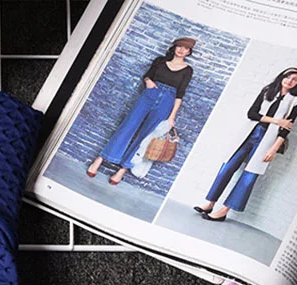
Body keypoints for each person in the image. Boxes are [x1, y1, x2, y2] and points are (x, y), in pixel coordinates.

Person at [87, 37, 196, 185]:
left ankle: (123, 169)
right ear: (174, 47)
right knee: (127, 127)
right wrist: (148, 81)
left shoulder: (188, 70)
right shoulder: (160, 61)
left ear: (189, 52)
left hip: (167, 102)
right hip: (149, 95)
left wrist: (172, 116)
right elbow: (148, 75)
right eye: (180, 46)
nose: (182, 50)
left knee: (145, 136)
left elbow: (180, 94)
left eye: (186, 48)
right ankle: (100, 159)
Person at [194, 67, 297, 221]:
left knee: (250, 174)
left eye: (295, 79)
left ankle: (224, 211)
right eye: (288, 77)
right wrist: (277, 121)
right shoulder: (267, 91)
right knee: (228, 166)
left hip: (268, 139)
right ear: (281, 76)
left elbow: (285, 129)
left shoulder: (294, 101)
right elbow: (252, 113)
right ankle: (210, 203)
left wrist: (273, 149)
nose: (290, 81)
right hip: (249, 133)